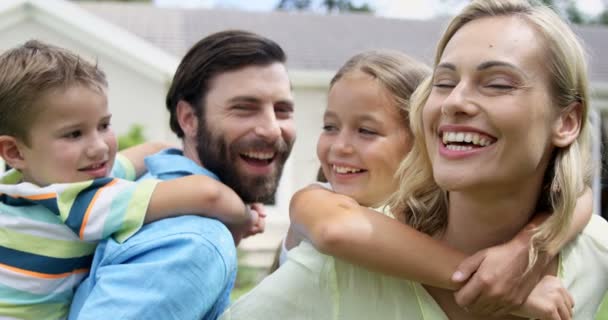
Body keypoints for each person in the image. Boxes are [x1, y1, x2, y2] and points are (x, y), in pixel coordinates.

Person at [222, 2, 608, 315]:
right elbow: (335, 228)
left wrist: (528, 247)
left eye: (498, 84)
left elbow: (576, 202)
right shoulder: (335, 264)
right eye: (443, 83)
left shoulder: (593, 254)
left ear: (567, 121)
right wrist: (497, 285)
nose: (455, 100)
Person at [0, 40, 261, 320]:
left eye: (104, 125)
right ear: (14, 151)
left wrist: (171, 154)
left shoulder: (28, 185)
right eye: (74, 134)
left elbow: (149, 150)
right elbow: (207, 195)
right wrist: (243, 218)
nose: (99, 147)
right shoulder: (76, 202)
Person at [69, 30, 295, 320]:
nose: (273, 129)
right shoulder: (193, 242)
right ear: (188, 118)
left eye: (283, 110)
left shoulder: (139, 186)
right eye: (244, 109)